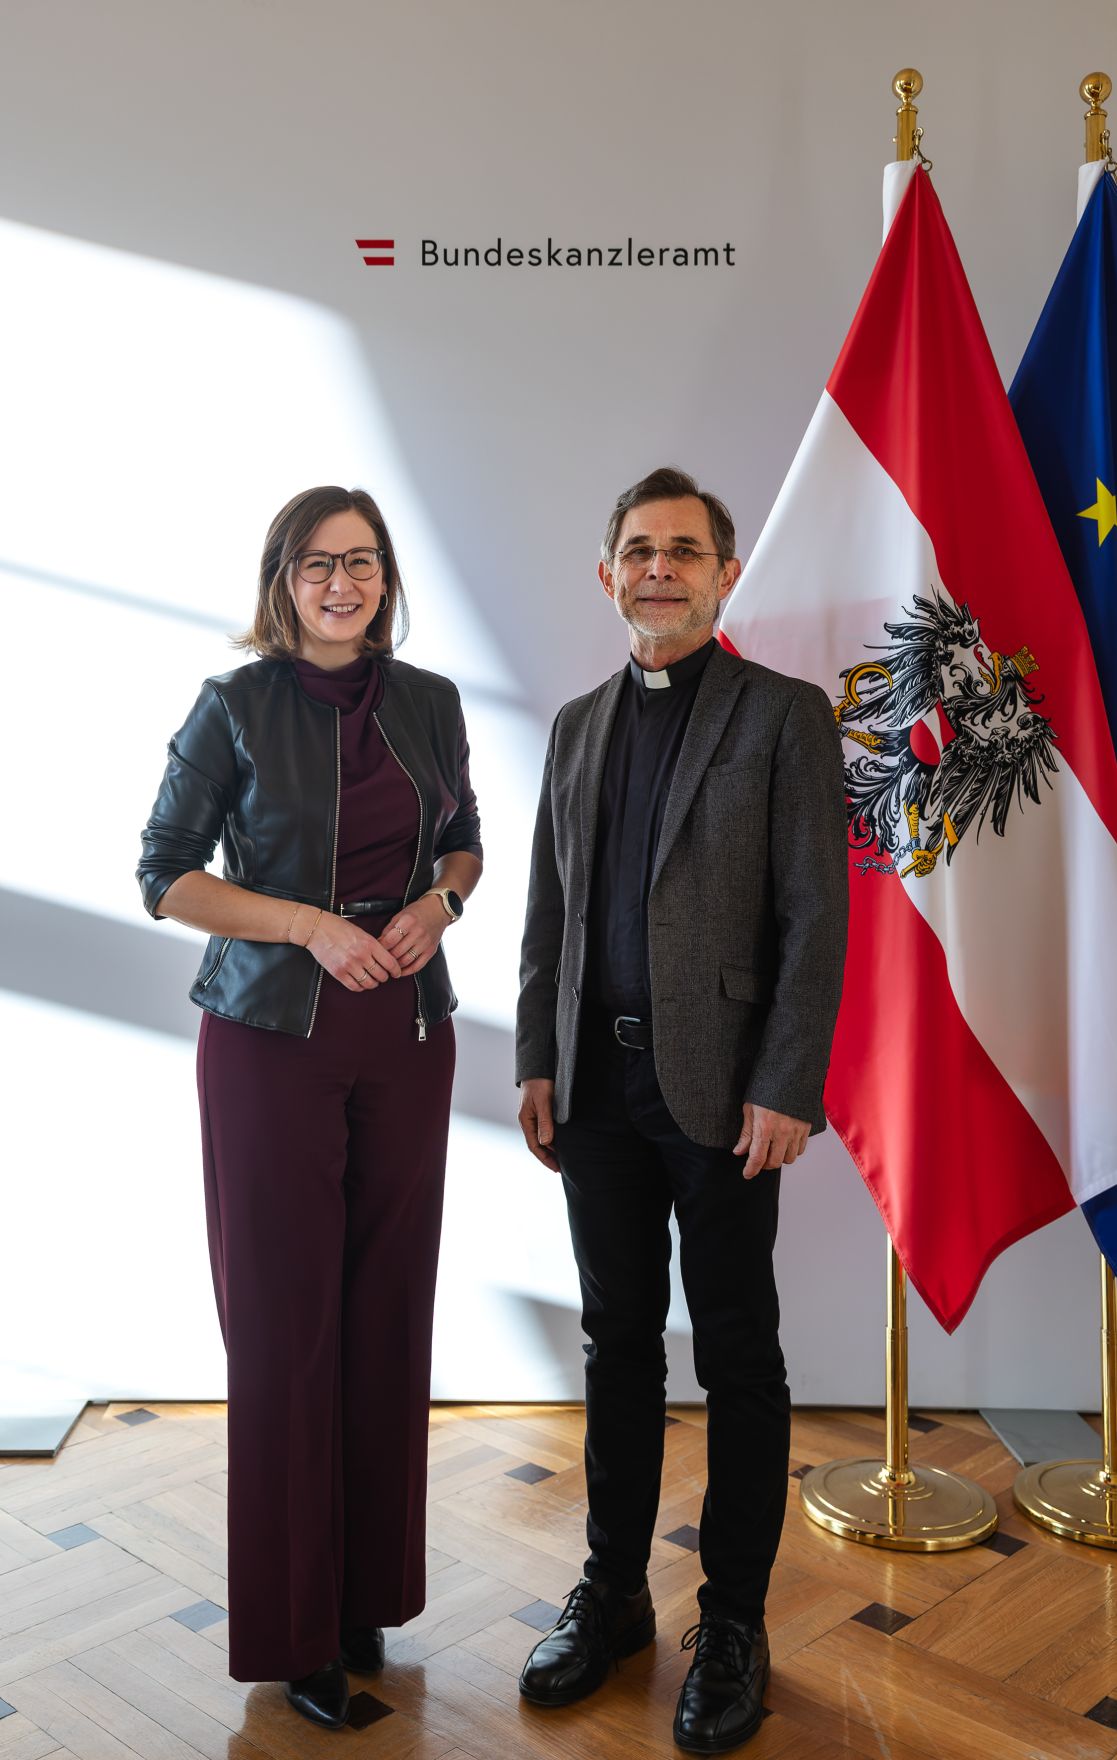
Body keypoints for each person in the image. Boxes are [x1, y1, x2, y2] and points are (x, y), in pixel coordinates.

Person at [136, 485, 482, 1732]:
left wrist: (439, 904)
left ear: (388, 577)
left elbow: (463, 840)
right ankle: (295, 1632)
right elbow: (163, 873)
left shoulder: (431, 702)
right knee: (287, 1332)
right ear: (282, 578)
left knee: (388, 1315)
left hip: (408, 1036)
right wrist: (310, 925)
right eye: (319, 563)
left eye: (366, 561)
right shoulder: (235, 704)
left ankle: (368, 1594)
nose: (345, 582)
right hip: (268, 1043)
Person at [515, 466, 847, 1753]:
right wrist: (540, 1053)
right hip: (594, 1090)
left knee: (739, 1354)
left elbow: (816, 916)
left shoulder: (783, 716)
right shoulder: (575, 722)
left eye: (684, 550)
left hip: (721, 1100)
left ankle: (735, 1619)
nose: (659, 568)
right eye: (638, 551)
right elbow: (550, 908)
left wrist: (785, 1080)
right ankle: (612, 1598)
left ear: (724, 574)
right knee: (615, 1346)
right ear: (608, 575)